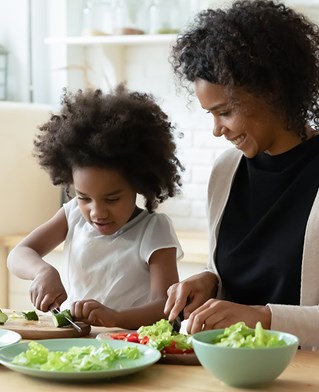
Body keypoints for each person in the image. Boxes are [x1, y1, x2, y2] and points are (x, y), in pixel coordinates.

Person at [164, 0, 319, 348]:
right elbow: (230, 275)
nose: (218, 130)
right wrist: (208, 282)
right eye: (211, 114)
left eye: (226, 111)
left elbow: (256, 307)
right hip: (227, 366)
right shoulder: (225, 172)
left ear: (273, 91)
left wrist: (263, 317)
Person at [7, 84, 184, 330]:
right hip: (80, 343)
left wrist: (116, 318)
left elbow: (165, 306)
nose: (96, 212)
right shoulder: (72, 215)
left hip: (130, 345)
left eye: (112, 199)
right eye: (83, 197)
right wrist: (41, 272)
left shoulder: (153, 230)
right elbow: (18, 253)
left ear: (139, 183)